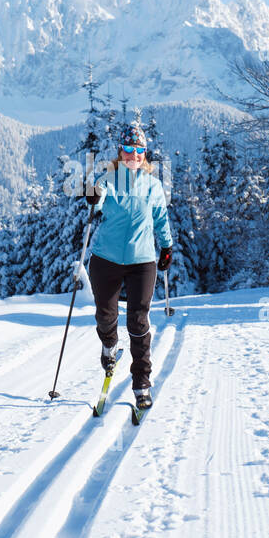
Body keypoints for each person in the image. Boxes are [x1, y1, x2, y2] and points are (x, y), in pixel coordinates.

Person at [85, 123, 173, 409]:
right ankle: (109, 345)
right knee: (105, 316)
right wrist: (92, 196)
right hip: (106, 259)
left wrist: (167, 246)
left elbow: (160, 218)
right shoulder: (109, 179)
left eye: (138, 150)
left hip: (142, 261)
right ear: (120, 152)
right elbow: (96, 198)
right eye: (128, 150)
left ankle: (142, 384)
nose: (133, 155)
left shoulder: (154, 185)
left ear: (144, 154)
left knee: (138, 321)